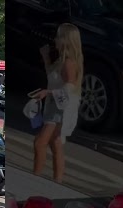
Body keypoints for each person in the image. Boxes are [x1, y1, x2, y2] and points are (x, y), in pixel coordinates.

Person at [32, 23, 83, 183]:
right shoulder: (61, 61)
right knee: (55, 144)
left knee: (40, 143)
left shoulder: (69, 62)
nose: (55, 39)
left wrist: (48, 92)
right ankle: (57, 181)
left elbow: (70, 87)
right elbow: (53, 78)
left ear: (66, 40)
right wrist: (46, 57)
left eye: (59, 36)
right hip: (54, 106)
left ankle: (36, 178)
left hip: (60, 109)